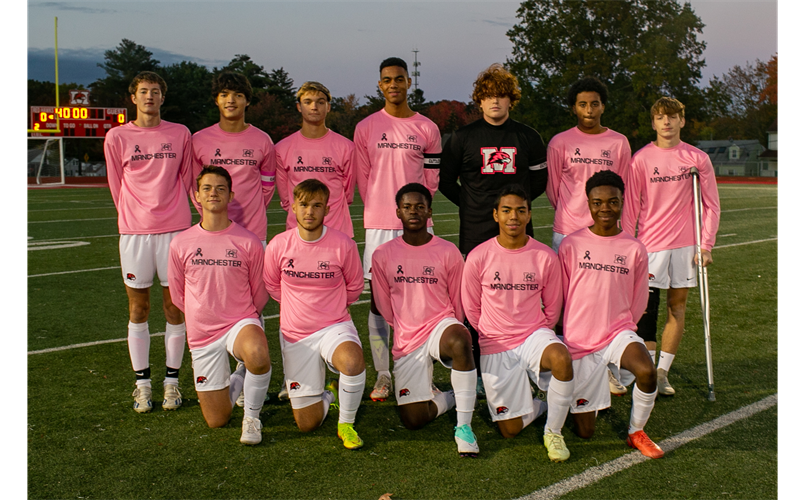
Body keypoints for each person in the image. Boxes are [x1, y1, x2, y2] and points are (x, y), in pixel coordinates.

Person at [438, 63, 548, 393]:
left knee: (522, 297)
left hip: (518, 236)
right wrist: (474, 206)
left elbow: (539, 180)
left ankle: (523, 361)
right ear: (479, 101)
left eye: (501, 95)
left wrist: (514, 213)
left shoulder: (527, 136)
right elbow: (445, 181)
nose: (495, 101)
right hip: (475, 233)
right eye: (488, 96)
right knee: (475, 302)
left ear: (511, 99)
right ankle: (477, 371)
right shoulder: (463, 138)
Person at [462, 185, 575, 462]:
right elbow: (471, 308)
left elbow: (553, 307)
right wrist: (491, 333)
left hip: (533, 335)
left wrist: (538, 330)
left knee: (560, 357)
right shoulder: (479, 256)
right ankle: (541, 404)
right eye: (507, 210)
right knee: (509, 429)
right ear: (495, 215)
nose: (513, 216)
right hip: (495, 342)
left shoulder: (545, 256)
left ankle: (554, 432)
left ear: (529, 216)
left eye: (520, 211)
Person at [104, 71, 194, 413]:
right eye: (143, 92)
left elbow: (187, 180)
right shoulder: (117, 136)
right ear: (133, 97)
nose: (149, 97)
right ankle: (142, 384)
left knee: (175, 308)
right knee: (138, 308)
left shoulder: (179, 134)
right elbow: (116, 185)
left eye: (155, 92)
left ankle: (172, 382)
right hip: (135, 234)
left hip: (174, 232)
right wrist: (135, 218)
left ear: (162, 97)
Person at [558, 170, 664, 459]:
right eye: (598, 202)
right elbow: (561, 295)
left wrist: (621, 324)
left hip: (618, 332)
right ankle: (570, 399)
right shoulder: (571, 244)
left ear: (622, 202)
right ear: (588, 203)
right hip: (580, 339)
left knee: (646, 370)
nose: (605, 208)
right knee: (585, 431)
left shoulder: (634, 248)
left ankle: (636, 431)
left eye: (612, 202)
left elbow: (639, 300)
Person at [354, 57, 442, 402]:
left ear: (409, 82)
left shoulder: (427, 128)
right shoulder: (366, 127)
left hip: (419, 227)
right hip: (379, 224)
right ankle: (384, 375)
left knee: (422, 302)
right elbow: (364, 179)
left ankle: (423, 373)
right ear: (380, 85)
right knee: (378, 305)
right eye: (387, 80)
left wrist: (417, 212)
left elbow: (431, 179)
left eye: (399, 79)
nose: (393, 85)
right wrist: (380, 207)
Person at [371, 183, 479, 457]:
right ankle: (449, 398)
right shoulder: (383, 255)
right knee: (413, 419)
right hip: (407, 337)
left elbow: (458, 300)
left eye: (420, 206)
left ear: (430, 211)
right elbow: (384, 304)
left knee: (459, 339)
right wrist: (405, 326)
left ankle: (464, 427)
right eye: (407, 207)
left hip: (439, 326)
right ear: (398, 212)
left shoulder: (447, 251)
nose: (413, 212)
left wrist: (454, 326)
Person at [622, 97, 721, 396]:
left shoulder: (697, 158)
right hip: (650, 246)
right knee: (645, 312)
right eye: (660, 117)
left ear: (682, 121)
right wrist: (627, 246)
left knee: (677, 308)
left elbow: (711, 206)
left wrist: (706, 245)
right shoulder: (641, 159)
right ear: (653, 123)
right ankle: (647, 371)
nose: (666, 122)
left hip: (684, 247)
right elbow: (630, 208)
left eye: (672, 117)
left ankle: (662, 372)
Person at [168, 166, 272, 445]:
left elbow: (260, 292)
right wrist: (199, 315)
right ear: (197, 197)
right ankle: (239, 377)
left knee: (259, 355)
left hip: (239, 321)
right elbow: (178, 294)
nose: (213, 193)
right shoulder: (181, 243)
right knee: (217, 420)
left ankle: (252, 417)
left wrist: (248, 318)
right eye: (207, 188)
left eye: (220, 188)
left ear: (230, 196)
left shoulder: (248, 242)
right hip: (203, 333)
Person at [263, 179, 367, 449]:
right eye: (304, 205)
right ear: (294, 208)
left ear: (327, 209)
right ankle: (329, 395)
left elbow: (354, 286)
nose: (310, 211)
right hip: (296, 335)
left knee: (353, 362)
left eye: (317, 205)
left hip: (334, 326)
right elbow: (272, 284)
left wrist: (329, 308)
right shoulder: (279, 244)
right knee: (306, 424)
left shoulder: (343, 244)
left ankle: (346, 423)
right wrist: (298, 310)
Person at [545, 76, 632, 396]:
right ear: (573, 108)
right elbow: (555, 189)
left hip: (608, 233)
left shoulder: (619, 142)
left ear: (603, 106)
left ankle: (605, 366)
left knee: (605, 301)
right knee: (568, 303)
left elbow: (622, 188)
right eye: (582, 104)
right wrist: (574, 215)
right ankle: (573, 365)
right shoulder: (560, 142)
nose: (589, 109)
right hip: (569, 232)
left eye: (594, 103)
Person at [191, 71, 276, 244]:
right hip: (214, 229)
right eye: (224, 95)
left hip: (253, 231)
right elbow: (194, 187)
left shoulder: (263, 140)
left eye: (238, 95)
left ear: (248, 101)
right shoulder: (198, 140)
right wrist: (211, 214)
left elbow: (267, 187)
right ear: (216, 100)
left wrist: (253, 212)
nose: (230, 100)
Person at [275, 81, 356, 237]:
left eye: (320, 102)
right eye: (307, 102)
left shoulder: (346, 147)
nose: (314, 107)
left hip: (337, 231)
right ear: (299, 107)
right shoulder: (282, 148)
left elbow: (348, 195)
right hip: (297, 232)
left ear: (328, 107)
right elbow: (286, 198)